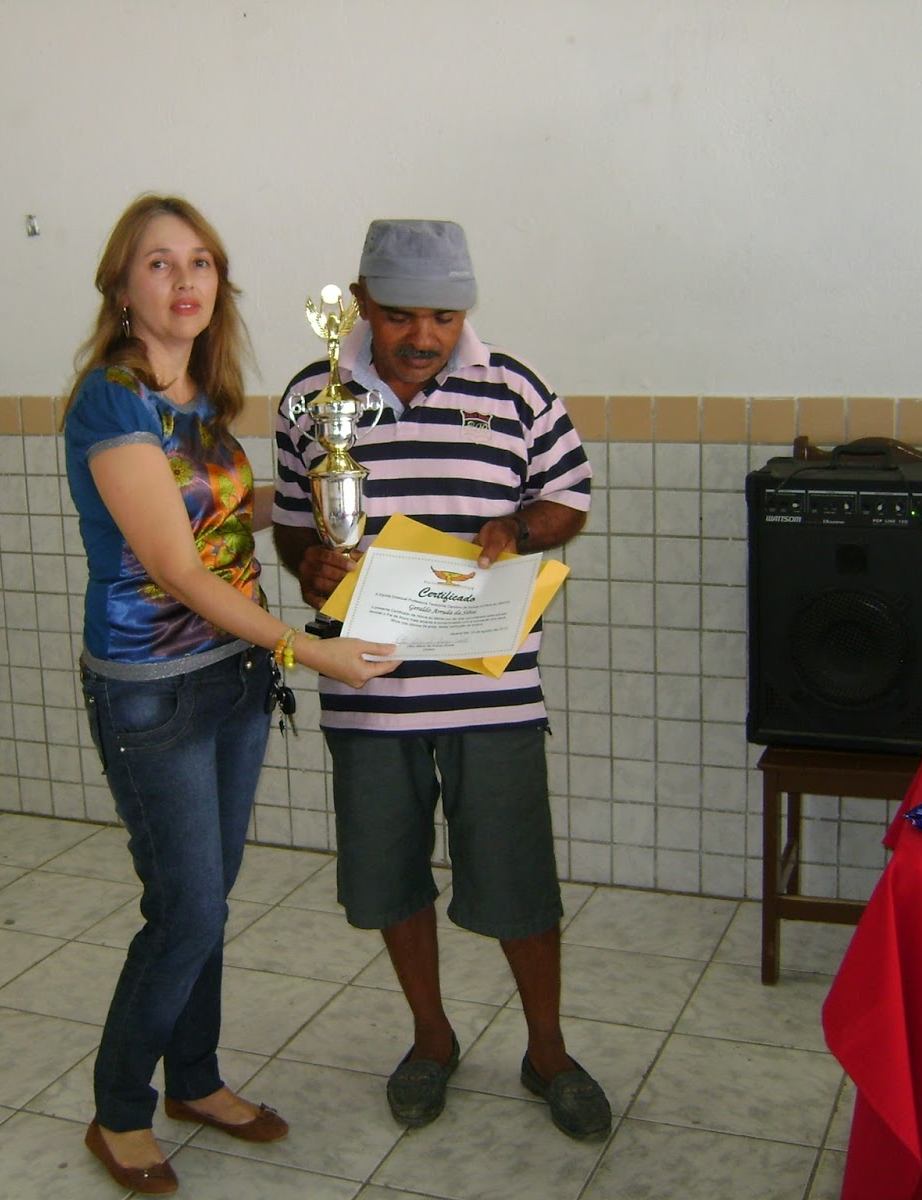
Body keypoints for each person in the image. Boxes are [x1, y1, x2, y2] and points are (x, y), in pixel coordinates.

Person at [65, 194, 397, 1194]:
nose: (185, 281)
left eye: (201, 262)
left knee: (207, 901)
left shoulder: (199, 396)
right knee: (184, 910)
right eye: (159, 263)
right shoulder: (113, 401)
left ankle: (197, 1080)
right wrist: (309, 652)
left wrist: (320, 496)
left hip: (231, 676)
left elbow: (213, 516)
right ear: (122, 289)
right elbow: (174, 566)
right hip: (154, 687)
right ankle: (120, 1111)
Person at [271, 219, 609, 1139]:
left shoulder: (515, 388)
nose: (424, 336)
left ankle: (548, 1051)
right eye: (401, 315)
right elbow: (297, 520)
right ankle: (431, 1038)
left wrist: (519, 530)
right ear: (362, 303)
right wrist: (306, 564)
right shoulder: (311, 395)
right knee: (389, 875)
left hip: (490, 684)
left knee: (518, 875)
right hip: (366, 684)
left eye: (445, 316)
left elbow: (569, 495)